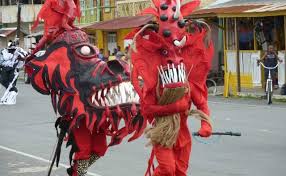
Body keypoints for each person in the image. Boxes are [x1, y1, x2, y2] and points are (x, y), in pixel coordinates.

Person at [0, 39, 28, 105]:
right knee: (3, 81)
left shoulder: (19, 50)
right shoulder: (4, 51)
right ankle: (9, 95)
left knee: (11, 83)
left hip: (14, 69)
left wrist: (20, 57)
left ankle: (12, 95)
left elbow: (25, 56)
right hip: (5, 68)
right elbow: (4, 58)